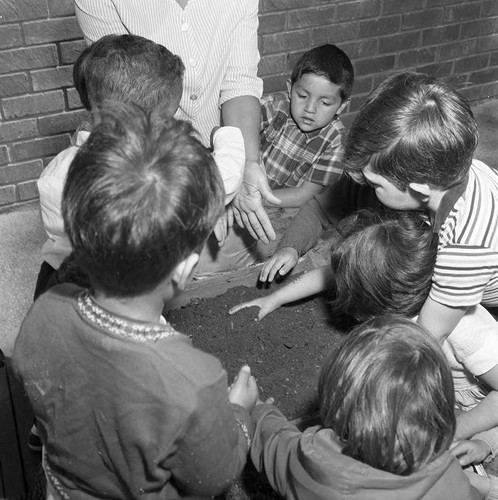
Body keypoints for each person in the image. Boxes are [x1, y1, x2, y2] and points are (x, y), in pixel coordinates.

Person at [13, 103, 259, 499]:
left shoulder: (45, 309)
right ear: (185, 269)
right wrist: (239, 415)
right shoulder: (192, 380)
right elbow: (212, 477)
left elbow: (34, 382)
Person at [230, 210, 498, 499]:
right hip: (423, 394)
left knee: (479, 443)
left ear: (382, 302)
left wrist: (459, 429)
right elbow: (333, 275)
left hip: (476, 398)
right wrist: (276, 297)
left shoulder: (468, 330)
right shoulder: (399, 284)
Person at [258, 72, 498, 344]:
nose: (363, 184)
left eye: (374, 183)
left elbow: (426, 338)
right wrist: (278, 295)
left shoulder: (464, 250)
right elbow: (334, 226)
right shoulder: (438, 168)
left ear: (417, 190)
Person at [35, 33, 246, 300]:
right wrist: (224, 135)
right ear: (145, 123)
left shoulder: (57, 172)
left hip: (56, 286)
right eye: (169, 117)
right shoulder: (152, 180)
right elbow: (223, 178)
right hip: (114, 298)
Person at [74, 0, 282, 244]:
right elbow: (115, 84)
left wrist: (250, 162)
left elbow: (240, 79)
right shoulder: (165, 182)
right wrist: (227, 145)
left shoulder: (66, 171)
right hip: (159, 155)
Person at [246, 315, 482, 499]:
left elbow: (278, 449)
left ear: (339, 408)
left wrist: (257, 411)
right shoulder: (450, 476)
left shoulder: (318, 461)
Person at [260, 44, 353, 208]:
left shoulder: (337, 142)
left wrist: (252, 200)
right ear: (290, 89)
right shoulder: (275, 107)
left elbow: (303, 196)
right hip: (244, 190)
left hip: (283, 211)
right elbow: (238, 136)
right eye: (302, 96)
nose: (310, 109)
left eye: (324, 102)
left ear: (341, 106)